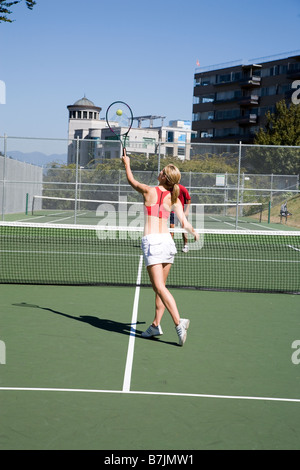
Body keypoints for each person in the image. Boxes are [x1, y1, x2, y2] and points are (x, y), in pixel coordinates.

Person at [122, 149, 199, 346]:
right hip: (168, 244)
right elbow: (184, 222)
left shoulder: (148, 190)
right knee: (160, 289)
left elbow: (131, 180)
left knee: (159, 287)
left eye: (162, 171)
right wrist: (193, 232)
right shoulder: (174, 199)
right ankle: (156, 325)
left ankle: (178, 322)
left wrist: (126, 163)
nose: (160, 172)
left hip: (154, 243)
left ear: (164, 177)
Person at [170, 184, 191, 253]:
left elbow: (188, 199)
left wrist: (187, 210)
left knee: (184, 229)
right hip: (173, 212)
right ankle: (171, 246)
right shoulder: (170, 188)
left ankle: (185, 245)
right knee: (171, 228)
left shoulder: (182, 188)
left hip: (182, 212)